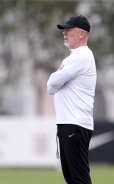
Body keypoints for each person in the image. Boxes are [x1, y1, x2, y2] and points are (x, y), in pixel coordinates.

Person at [47, 15, 96, 184]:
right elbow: (51, 87)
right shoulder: (73, 58)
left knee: (79, 178)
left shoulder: (82, 56)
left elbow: (52, 82)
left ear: (82, 33)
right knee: (72, 178)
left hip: (74, 124)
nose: (64, 33)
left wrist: (56, 77)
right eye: (64, 30)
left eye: (69, 29)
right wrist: (56, 78)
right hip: (69, 124)